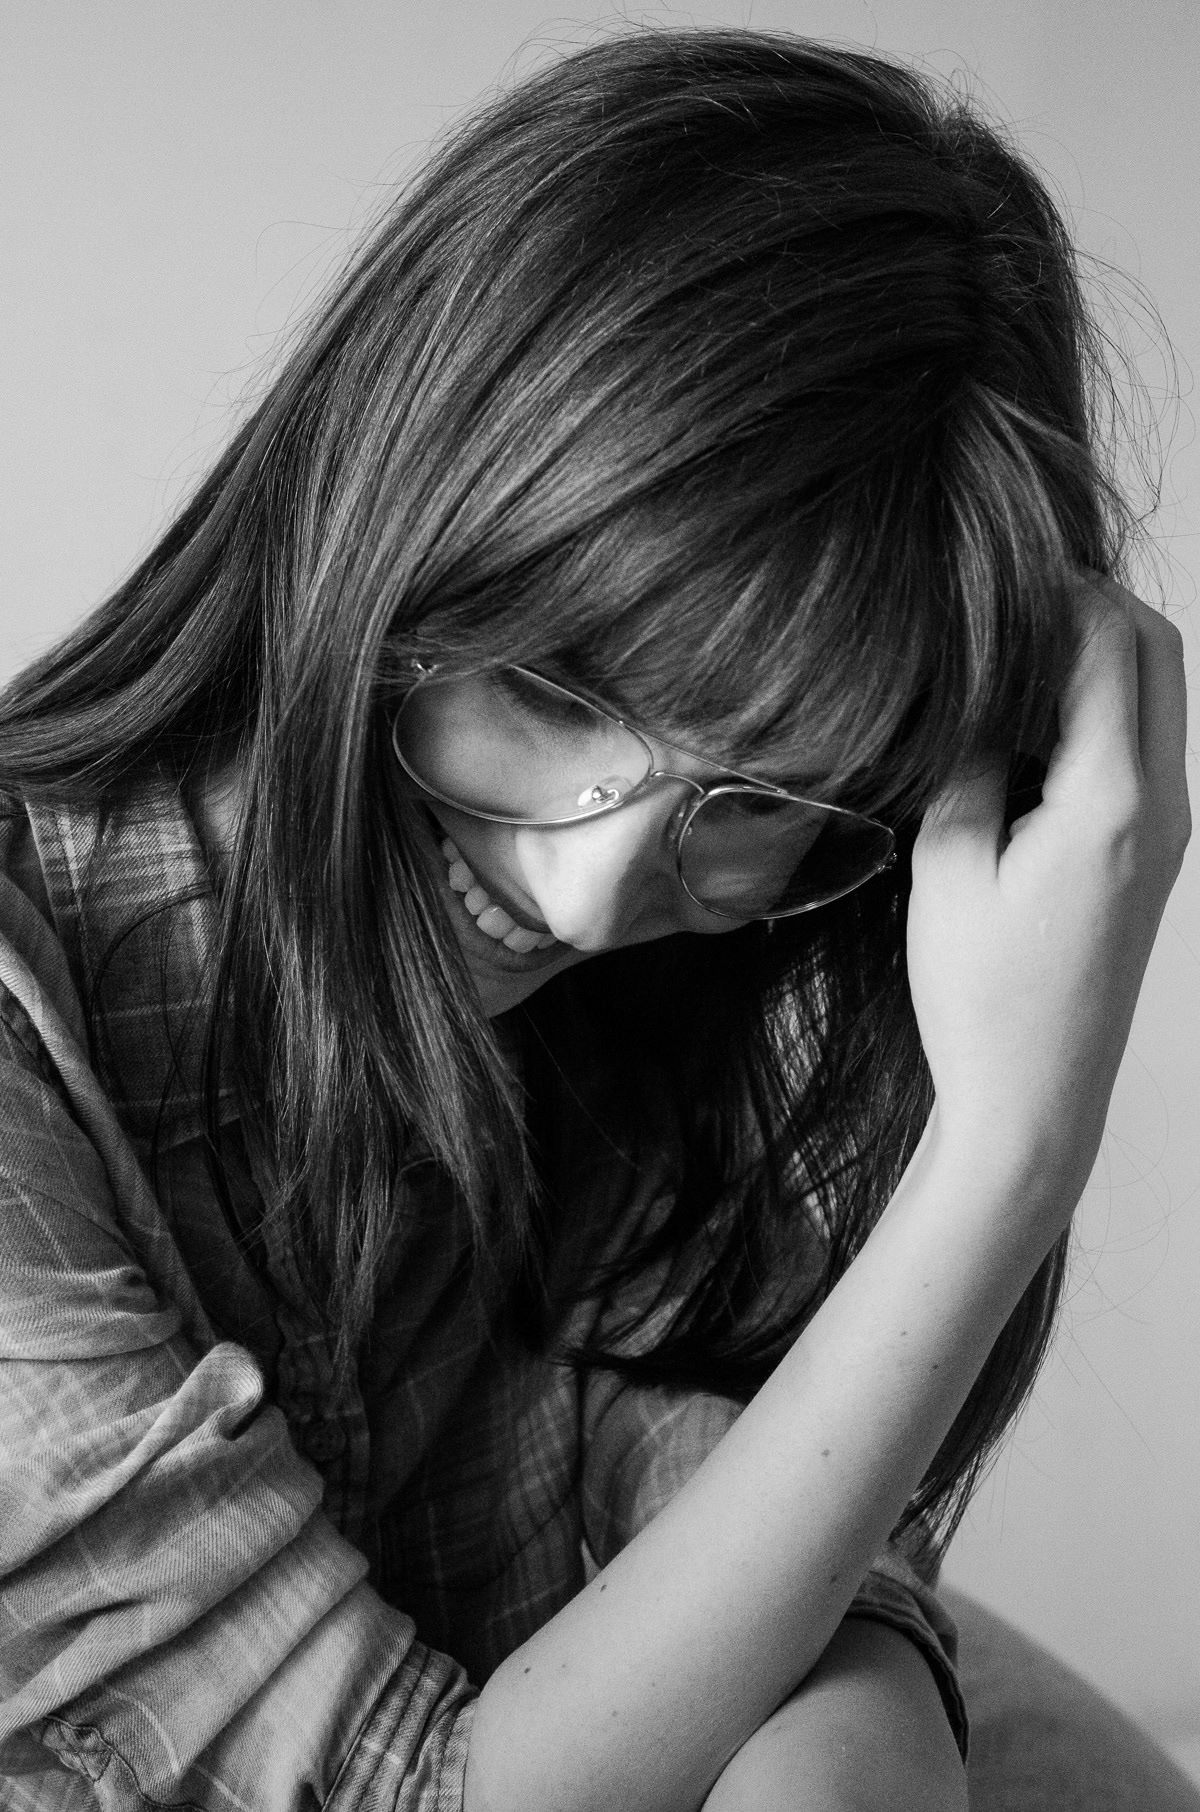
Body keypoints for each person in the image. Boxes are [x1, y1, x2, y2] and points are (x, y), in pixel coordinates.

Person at [0, 27, 1191, 1812]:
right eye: (551, 690)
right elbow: (422, 1798)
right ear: (383, 506)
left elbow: (729, 1487)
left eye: (762, 799)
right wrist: (1011, 1156)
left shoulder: (623, 1025)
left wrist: (860, 1702)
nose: (587, 889)